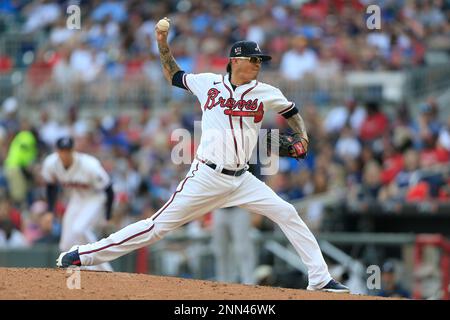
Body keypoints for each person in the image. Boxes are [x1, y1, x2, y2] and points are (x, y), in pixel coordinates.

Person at [56, 17, 349, 293]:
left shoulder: (266, 92)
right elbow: (173, 74)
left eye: (261, 60)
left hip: (242, 179)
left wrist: (303, 137)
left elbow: (292, 112)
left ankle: (320, 279)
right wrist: (162, 42)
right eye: (254, 59)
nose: (259, 64)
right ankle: (83, 254)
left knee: (287, 213)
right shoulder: (207, 82)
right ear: (236, 61)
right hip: (206, 176)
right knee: (156, 228)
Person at [43, 137, 114, 271]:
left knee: (79, 229)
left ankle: (106, 270)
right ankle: (88, 271)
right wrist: (50, 211)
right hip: (77, 198)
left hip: (96, 197)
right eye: (62, 151)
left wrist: (108, 216)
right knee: (65, 244)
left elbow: (109, 189)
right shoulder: (51, 163)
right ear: (57, 151)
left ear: (73, 150)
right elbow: (51, 186)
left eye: (68, 150)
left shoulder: (89, 165)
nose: (65, 154)